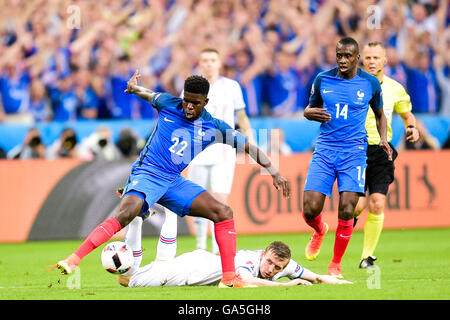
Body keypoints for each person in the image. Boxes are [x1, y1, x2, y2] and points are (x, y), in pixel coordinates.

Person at [53, 71, 291, 288]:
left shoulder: (215, 127)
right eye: (186, 100)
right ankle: (74, 259)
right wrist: (134, 88)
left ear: (205, 102)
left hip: (173, 181)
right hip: (147, 172)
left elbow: (249, 147)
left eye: (194, 103)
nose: (188, 106)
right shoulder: (169, 103)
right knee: (126, 213)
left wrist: (275, 172)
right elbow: (148, 94)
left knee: (224, 213)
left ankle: (229, 278)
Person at [301, 37, 392, 278]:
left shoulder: (370, 83)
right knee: (310, 208)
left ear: (357, 57)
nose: (342, 60)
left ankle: (335, 264)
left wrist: (383, 139)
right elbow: (309, 109)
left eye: (347, 56)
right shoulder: (323, 79)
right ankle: (319, 230)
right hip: (324, 150)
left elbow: (380, 114)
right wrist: (311, 114)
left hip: (353, 153)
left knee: (348, 208)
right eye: (339, 55)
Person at [158, 48, 254, 260]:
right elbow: (182, 118)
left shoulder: (232, 86)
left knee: (220, 198)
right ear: (200, 64)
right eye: (205, 60)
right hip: (197, 152)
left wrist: (250, 140)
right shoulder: (191, 88)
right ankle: (201, 245)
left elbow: (242, 116)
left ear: (219, 63)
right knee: (198, 199)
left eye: (212, 60)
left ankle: (216, 247)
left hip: (223, 152)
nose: (209, 64)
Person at [118, 216, 351, 288]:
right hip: (190, 271)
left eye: (278, 268)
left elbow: (317, 278)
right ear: (263, 254)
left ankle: (140, 220)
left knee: (137, 275)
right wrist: (286, 285)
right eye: (269, 262)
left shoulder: (284, 264)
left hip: (202, 262)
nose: (271, 270)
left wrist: (345, 283)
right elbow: (242, 280)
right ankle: (140, 220)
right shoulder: (250, 260)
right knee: (125, 281)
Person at [353, 42, 420, 269]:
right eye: (368, 58)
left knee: (377, 202)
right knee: (356, 206)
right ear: (362, 59)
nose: (372, 62)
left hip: (382, 150)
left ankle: (367, 256)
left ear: (385, 61)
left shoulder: (395, 88)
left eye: (376, 58)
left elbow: (406, 113)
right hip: (356, 150)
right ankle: (345, 229)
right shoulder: (352, 85)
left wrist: (412, 127)